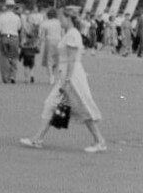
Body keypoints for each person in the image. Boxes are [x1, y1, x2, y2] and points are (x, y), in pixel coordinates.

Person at [20, 9, 107, 153]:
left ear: (69, 18)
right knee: (51, 105)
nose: (60, 22)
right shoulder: (70, 33)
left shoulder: (73, 34)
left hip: (72, 76)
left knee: (81, 106)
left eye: (61, 19)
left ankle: (99, 140)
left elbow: (72, 60)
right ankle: (38, 138)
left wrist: (67, 81)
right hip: (66, 74)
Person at [0, 0, 22, 84]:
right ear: (13, 7)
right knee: (14, 57)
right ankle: (13, 76)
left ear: (6, 6)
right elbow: (19, 28)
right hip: (14, 37)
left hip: (4, 37)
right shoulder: (17, 17)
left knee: (4, 57)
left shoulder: (1, 16)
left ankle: (5, 77)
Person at [39, 8, 62, 85]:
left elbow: (41, 35)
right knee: (57, 59)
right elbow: (63, 32)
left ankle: (51, 76)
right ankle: (54, 74)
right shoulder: (59, 22)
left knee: (49, 59)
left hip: (49, 41)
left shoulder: (46, 23)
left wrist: (39, 44)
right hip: (59, 41)